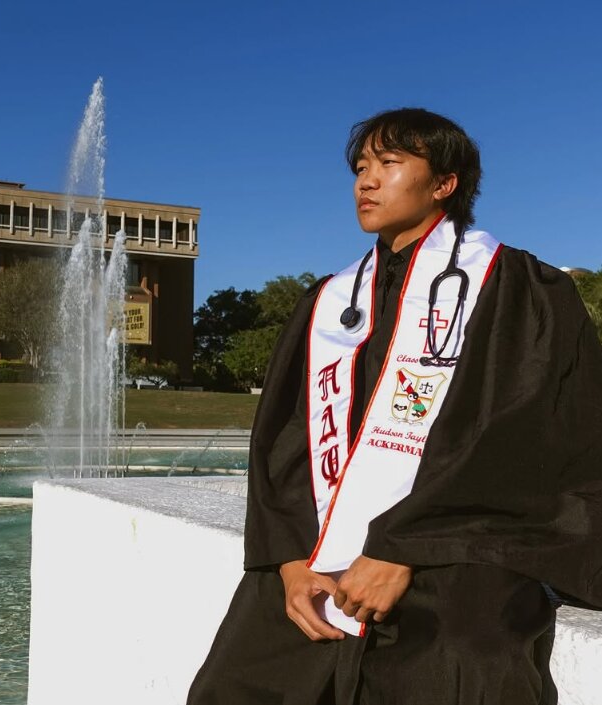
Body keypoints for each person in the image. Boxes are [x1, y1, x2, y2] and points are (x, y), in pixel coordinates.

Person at [188, 108, 602, 705]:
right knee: (239, 681)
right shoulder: (328, 305)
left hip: (460, 553)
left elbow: (520, 436)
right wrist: (287, 559)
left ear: (444, 184)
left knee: (461, 665)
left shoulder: (518, 288)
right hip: (318, 563)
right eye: (360, 167)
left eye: (389, 163)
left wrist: (405, 549)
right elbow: (285, 440)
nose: (366, 180)